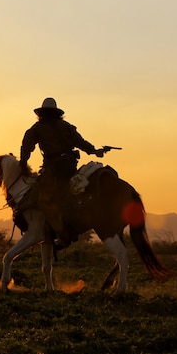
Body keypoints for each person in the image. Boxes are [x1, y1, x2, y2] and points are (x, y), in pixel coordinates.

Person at [19, 97, 105, 249]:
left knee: (44, 200)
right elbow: (81, 142)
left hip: (53, 170)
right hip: (70, 167)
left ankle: (62, 236)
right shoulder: (66, 126)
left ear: (41, 113)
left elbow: (26, 147)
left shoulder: (37, 128)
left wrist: (22, 164)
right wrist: (94, 151)